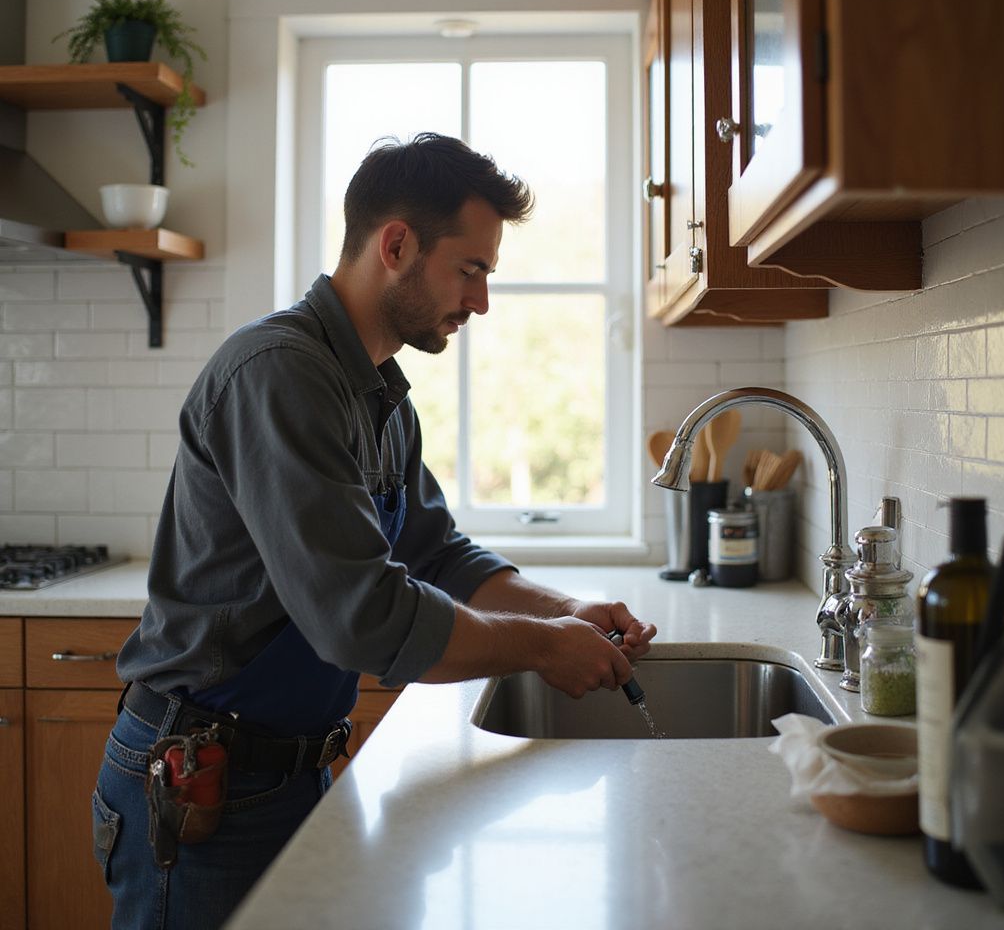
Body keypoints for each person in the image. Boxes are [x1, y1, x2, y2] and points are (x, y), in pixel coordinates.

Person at [94, 132, 656, 929]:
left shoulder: (380, 393)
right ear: (397, 245)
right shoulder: (279, 374)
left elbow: (436, 552)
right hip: (201, 782)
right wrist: (542, 649)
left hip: (295, 774)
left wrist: (562, 612)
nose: (482, 302)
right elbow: (362, 618)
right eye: (472, 270)